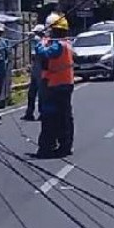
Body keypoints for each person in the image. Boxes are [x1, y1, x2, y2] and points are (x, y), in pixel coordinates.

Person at [34, 15, 75, 159]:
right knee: (65, 117)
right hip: (65, 84)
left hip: (56, 86)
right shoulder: (67, 43)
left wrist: (39, 42)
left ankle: (49, 145)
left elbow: (44, 53)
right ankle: (65, 145)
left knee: (51, 116)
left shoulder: (58, 45)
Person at [22, 24, 46, 121]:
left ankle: (41, 113)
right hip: (36, 69)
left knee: (40, 93)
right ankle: (30, 112)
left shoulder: (40, 42)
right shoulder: (39, 41)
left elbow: (35, 53)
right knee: (32, 92)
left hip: (40, 69)